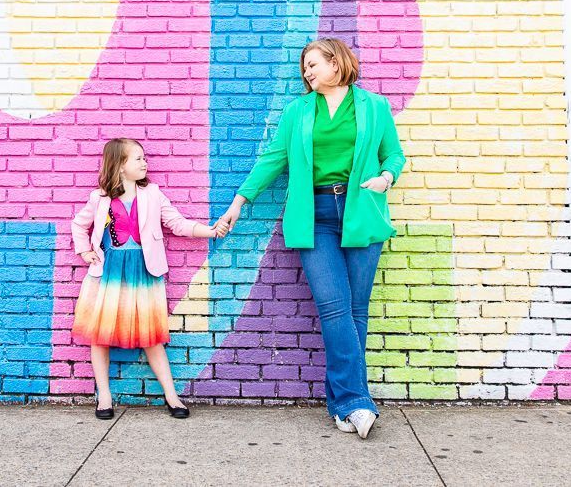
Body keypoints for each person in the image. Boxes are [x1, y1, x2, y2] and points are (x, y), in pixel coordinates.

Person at [215, 38, 406, 439]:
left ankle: (342, 404)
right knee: (335, 308)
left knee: (356, 311)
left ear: (337, 63)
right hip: (314, 217)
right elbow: (273, 159)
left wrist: (385, 178)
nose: (307, 72)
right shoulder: (298, 111)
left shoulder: (374, 106)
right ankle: (358, 401)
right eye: (304, 67)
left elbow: (394, 155)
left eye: (313, 64)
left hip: (361, 214)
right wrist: (238, 203)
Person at [72, 138, 227, 420]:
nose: (145, 163)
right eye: (138, 159)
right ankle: (104, 396)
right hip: (109, 272)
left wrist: (209, 231)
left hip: (144, 271)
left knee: (151, 336)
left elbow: (176, 223)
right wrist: (84, 251)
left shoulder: (153, 194)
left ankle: (172, 396)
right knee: (100, 335)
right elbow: (79, 225)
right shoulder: (100, 198)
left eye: (144, 158)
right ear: (119, 166)